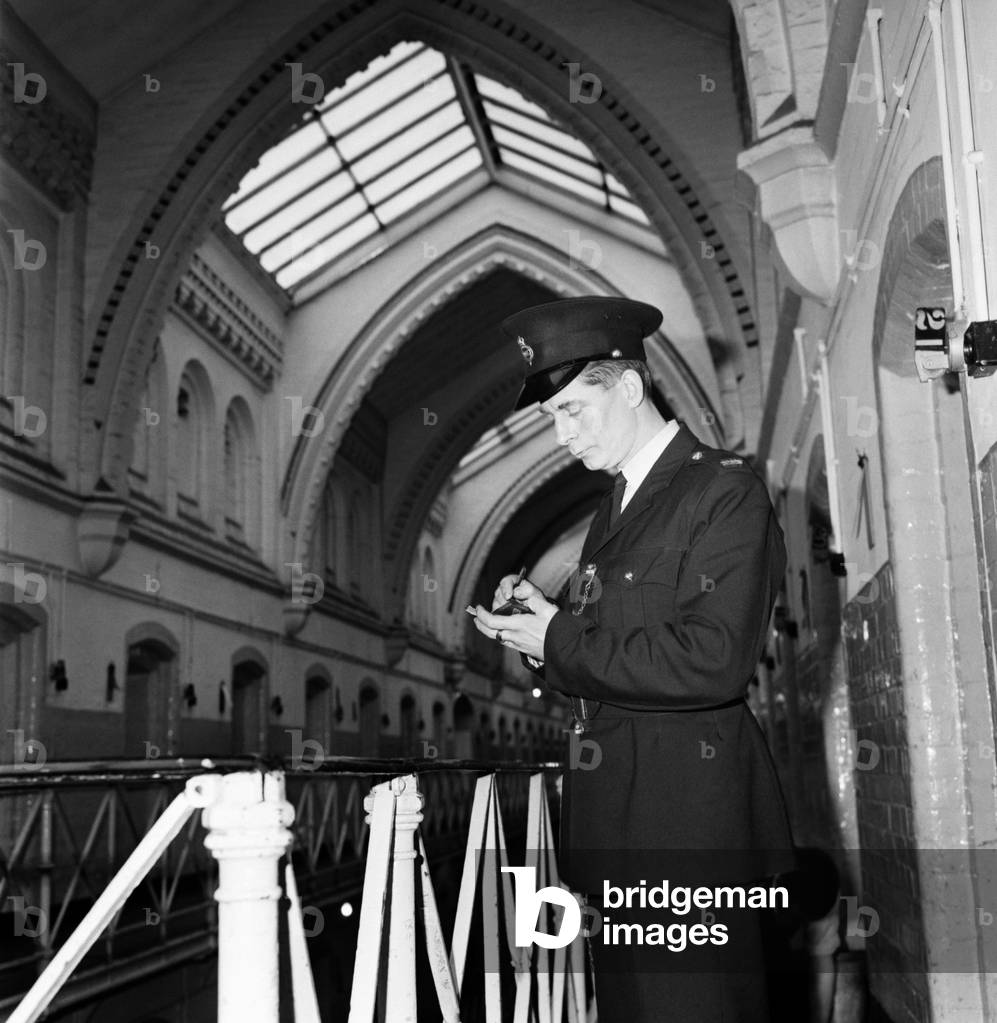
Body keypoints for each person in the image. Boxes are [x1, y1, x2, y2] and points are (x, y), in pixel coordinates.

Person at [472, 296, 795, 1022]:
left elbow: (712, 661)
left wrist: (559, 636)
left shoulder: (721, 489)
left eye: (570, 412)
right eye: (552, 418)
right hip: (619, 818)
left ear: (627, 386)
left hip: (686, 820)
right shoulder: (615, 508)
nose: (561, 437)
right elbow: (607, 654)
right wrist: (538, 631)